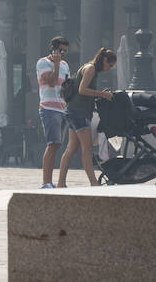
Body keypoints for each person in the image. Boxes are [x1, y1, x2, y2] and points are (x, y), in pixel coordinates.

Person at [57, 47, 117, 188]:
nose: (109, 68)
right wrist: (102, 95)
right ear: (103, 60)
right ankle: (93, 183)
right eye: (110, 65)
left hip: (73, 111)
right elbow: (82, 90)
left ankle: (61, 183)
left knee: (71, 148)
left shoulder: (90, 68)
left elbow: (84, 90)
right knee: (87, 148)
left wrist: (99, 94)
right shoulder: (90, 69)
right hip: (78, 113)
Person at [36, 36, 71, 189]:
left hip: (63, 109)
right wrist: (56, 65)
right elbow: (51, 81)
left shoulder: (65, 65)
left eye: (65, 51)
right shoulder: (43, 62)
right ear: (53, 48)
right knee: (52, 144)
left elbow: (66, 86)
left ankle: (53, 181)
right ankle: (46, 182)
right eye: (60, 50)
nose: (63, 54)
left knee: (58, 145)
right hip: (49, 109)